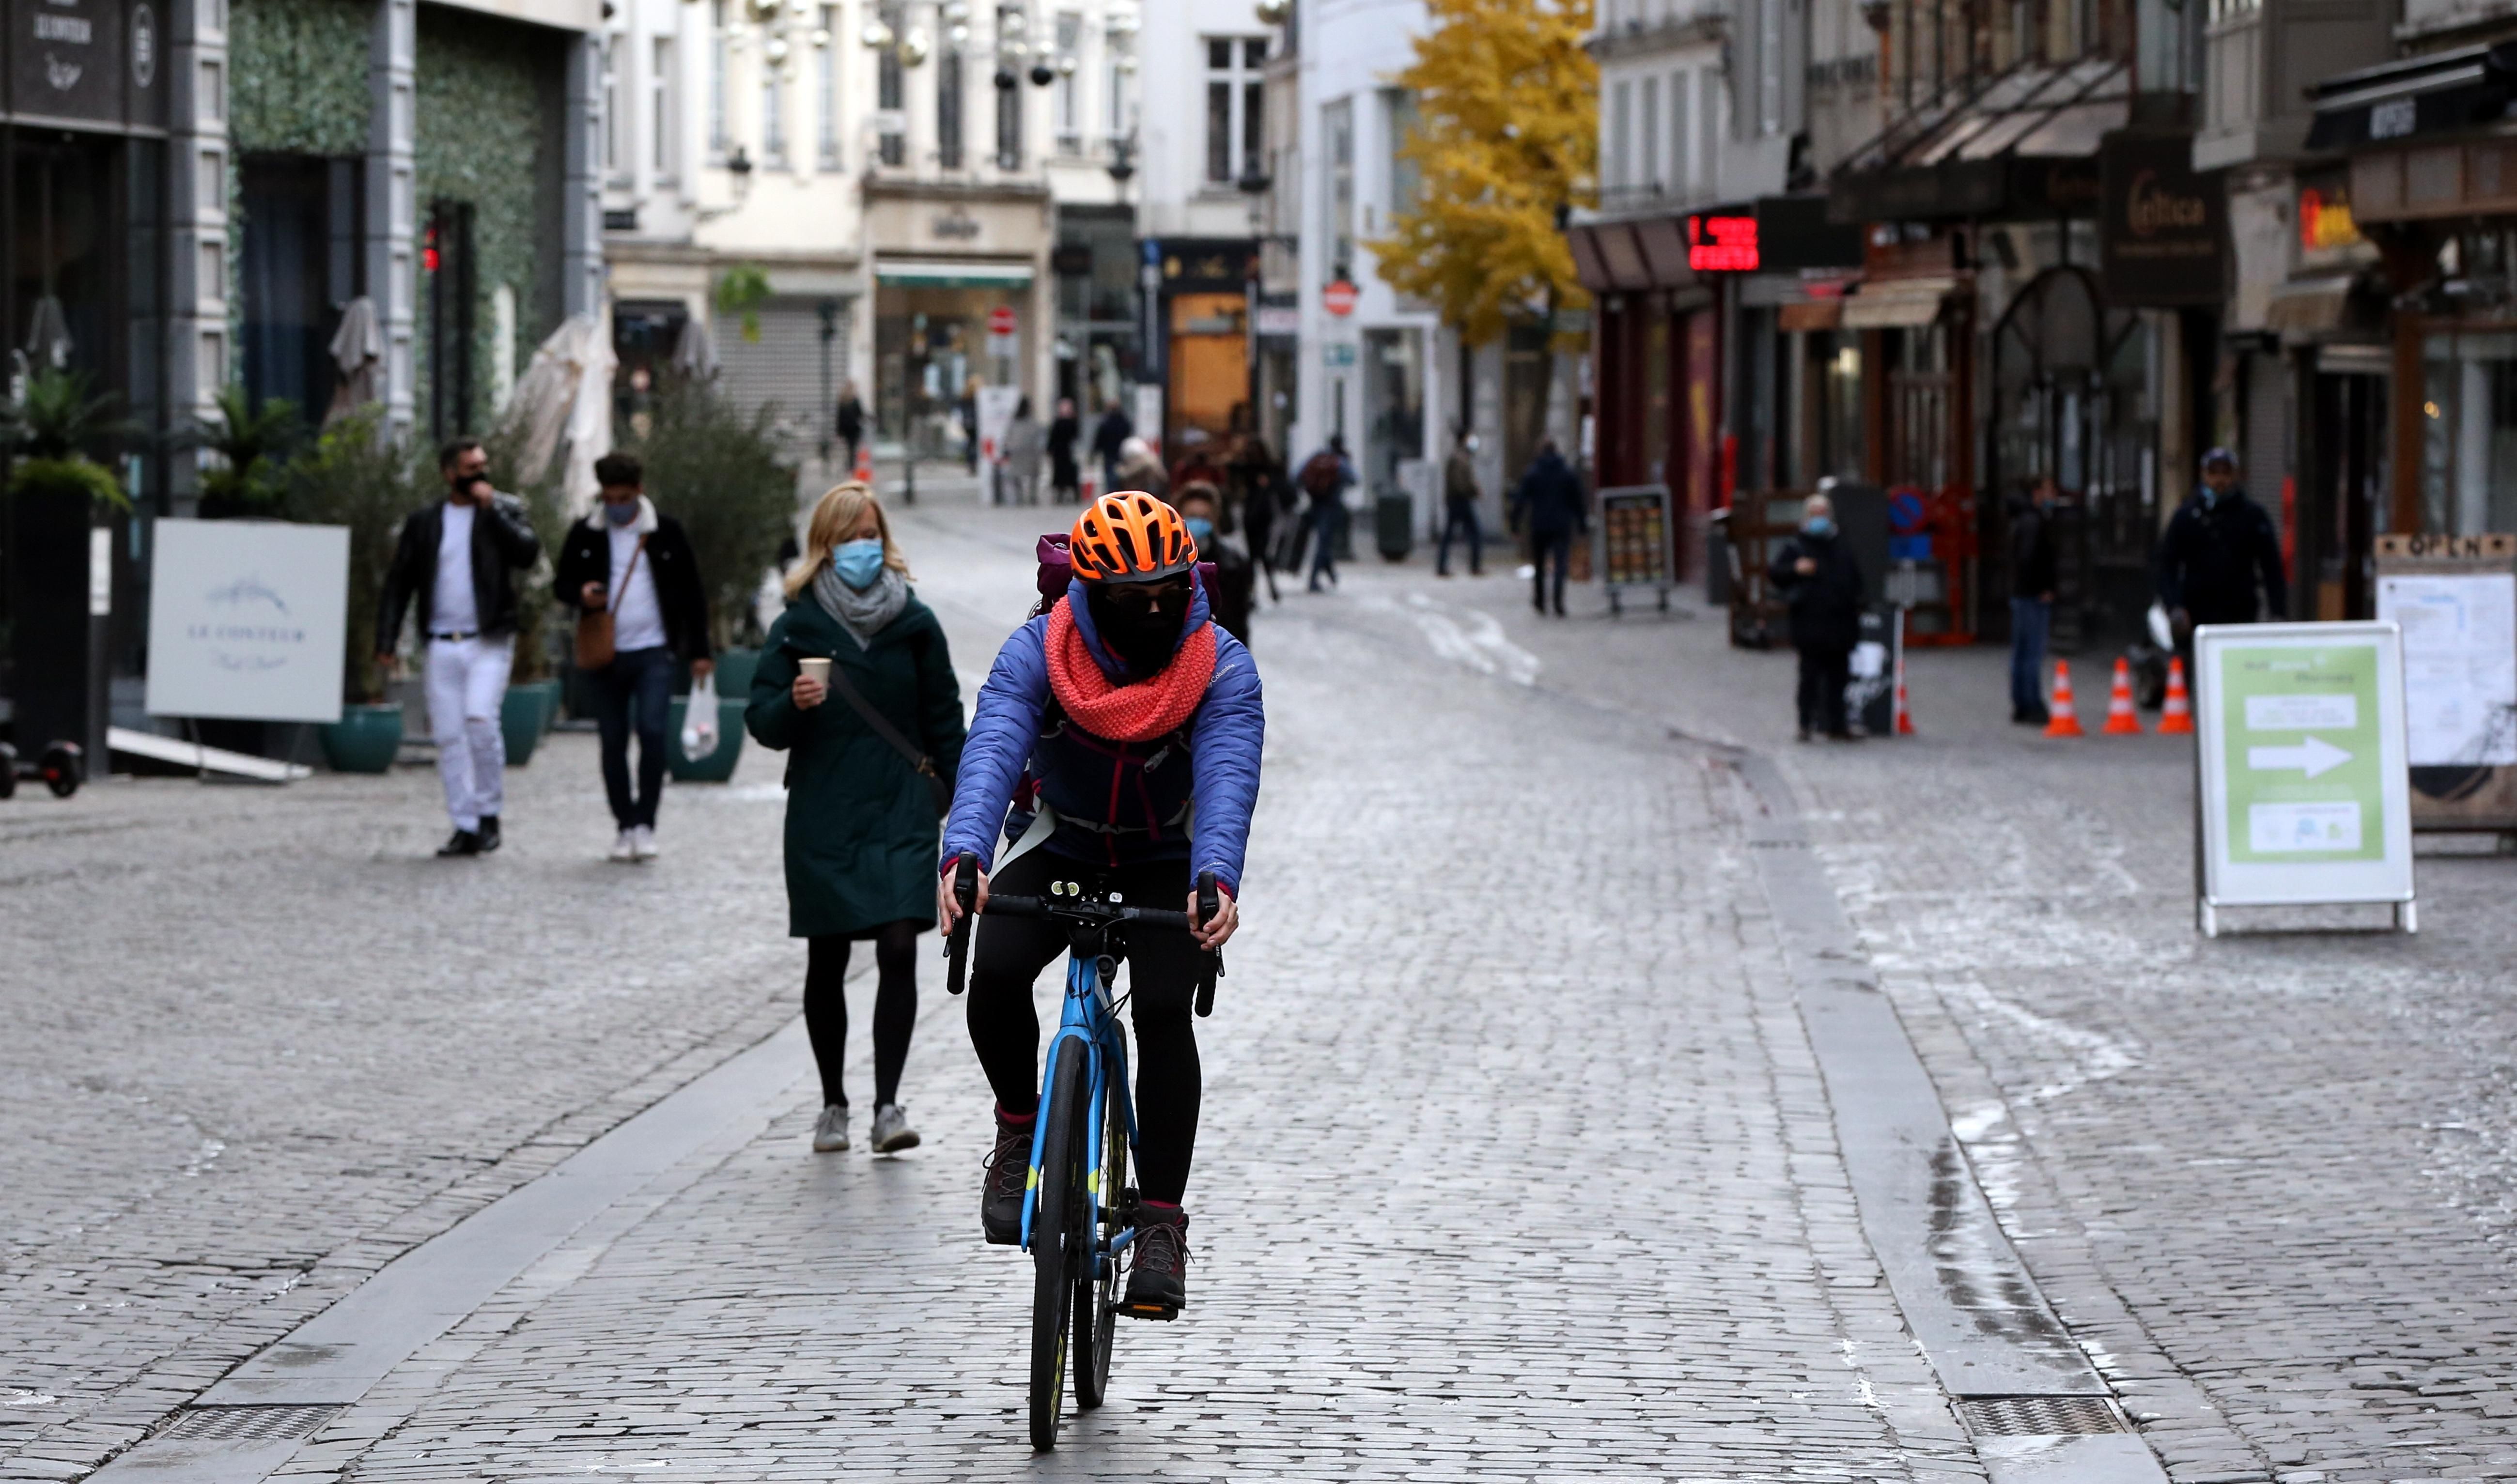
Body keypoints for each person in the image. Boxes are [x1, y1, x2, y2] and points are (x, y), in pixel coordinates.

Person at [939, 493, 1260, 1315]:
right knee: (999, 969)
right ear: (1089, 592)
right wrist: (965, 853)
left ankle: (1159, 1224)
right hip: (1064, 837)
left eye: (1167, 591)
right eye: (1132, 598)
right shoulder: (1038, 650)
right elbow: (993, 747)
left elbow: (1226, 776)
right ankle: (1018, 1131)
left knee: (1161, 1008)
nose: (1155, 610)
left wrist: (1215, 879)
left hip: (1162, 856)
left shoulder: (1220, 663)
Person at [747, 483, 968, 1157]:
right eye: (848, 538)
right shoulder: (797, 625)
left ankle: (887, 1105)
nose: (861, 548)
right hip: (825, 807)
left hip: (901, 802)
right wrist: (794, 700)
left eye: (870, 534)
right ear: (826, 546)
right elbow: (761, 721)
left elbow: (945, 716)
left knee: (901, 944)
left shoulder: (916, 621)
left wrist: (967, 805)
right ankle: (833, 1103)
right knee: (829, 953)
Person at [376, 439, 543, 857]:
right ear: (450, 473)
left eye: (484, 466)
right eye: (471, 468)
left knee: (480, 720)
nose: (480, 475)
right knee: (450, 737)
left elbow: (527, 553)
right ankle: (464, 823)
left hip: (487, 638)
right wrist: (387, 639)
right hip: (440, 642)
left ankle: (489, 812)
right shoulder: (426, 523)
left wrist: (494, 512)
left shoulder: (503, 512)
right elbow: (401, 582)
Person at [556, 453, 715, 860]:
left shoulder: (666, 533)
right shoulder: (586, 533)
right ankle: (624, 824)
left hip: (654, 651)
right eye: (609, 498)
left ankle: (646, 822)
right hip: (604, 654)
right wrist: (582, 594)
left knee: (653, 731)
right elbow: (561, 583)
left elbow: (693, 592)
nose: (617, 506)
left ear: (639, 492)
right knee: (611, 741)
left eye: (623, 497)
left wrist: (700, 650)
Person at [2157, 448, 2286, 650]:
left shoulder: (2252, 516)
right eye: (2213, 473)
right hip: (2197, 612)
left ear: (2235, 475)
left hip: (2240, 612)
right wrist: (2174, 605)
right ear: (2204, 475)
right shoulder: (2187, 516)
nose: (2220, 480)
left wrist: (2277, 611)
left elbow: (2272, 566)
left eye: (2225, 473)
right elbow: (2167, 565)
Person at [1768, 492, 1866, 742]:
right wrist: (1795, 569)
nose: (1819, 519)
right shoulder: (1796, 546)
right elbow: (1776, 575)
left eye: (1823, 514)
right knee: (1809, 678)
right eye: (1815, 514)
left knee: (1839, 678)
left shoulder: (1841, 544)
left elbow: (1855, 581)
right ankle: (1805, 724)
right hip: (1810, 625)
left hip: (1839, 624)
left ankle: (1837, 725)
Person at [1509, 438, 1586, 616]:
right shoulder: (1567, 472)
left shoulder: (1533, 472)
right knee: (1560, 563)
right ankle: (1558, 600)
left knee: (1539, 563)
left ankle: (1540, 600)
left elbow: (1520, 500)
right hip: (1561, 524)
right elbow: (1578, 501)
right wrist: (1582, 524)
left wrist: (1515, 524)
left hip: (1540, 525)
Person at [2006, 479, 2059, 726]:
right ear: (2038, 493)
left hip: (2022, 593)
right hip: (2031, 595)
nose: (2054, 495)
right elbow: (2029, 559)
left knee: (2022, 651)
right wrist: (2042, 587)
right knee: (2032, 651)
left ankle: (2021, 702)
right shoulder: (2034, 521)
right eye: (2049, 491)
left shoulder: (2023, 520)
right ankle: (2031, 703)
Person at [1176, 482, 1254, 645]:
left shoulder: (1233, 565)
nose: (1197, 523)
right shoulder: (1164, 566)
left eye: (1204, 518)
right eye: (1192, 516)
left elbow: (1239, 623)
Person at [1227, 435, 1288, 604]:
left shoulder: (1257, 468)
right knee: (1259, 555)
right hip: (1259, 515)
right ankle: (1266, 589)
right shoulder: (1265, 467)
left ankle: (1257, 592)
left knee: (1256, 556)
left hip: (1256, 515)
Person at [1295, 435, 1355, 593]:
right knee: (1324, 542)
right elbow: (1354, 479)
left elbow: (1296, 475)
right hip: (1331, 505)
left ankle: (1330, 574)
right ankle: (1314, 580)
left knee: (1324, 540)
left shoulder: (1317, 457)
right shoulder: (1340, 461)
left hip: (1315, 504)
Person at [1437, 426, 1485, 578]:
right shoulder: (1459, 458)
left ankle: (1445, 566)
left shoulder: (1461, 457)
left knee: (1451, 535)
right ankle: (1474, 566)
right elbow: (1460, 483)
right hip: (1460, 501)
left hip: (1458, 500)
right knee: (1474, 533)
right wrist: (1474, 491)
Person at [1002, 396, 1045, 506]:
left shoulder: (1014, 422)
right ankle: (1032, 497)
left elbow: (1008, 436)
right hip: (1030, 453)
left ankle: (1020, 497)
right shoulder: (1033, 423)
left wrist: (1007, 448)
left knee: (1016, 476)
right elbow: (1038, 438)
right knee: (1033, 476)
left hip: (1017, 453)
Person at [1092, 398, 1134, 495]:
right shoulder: (1124, 422)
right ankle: (1121, 493)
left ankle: (1112, 494)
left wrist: (1094, 452)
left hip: (1109, 454)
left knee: (1110, 476)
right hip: (1122, 454)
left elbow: (1099, 439)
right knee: (1122, 475)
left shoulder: (1106, 423)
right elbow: (1129, 434)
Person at [1047, 396, 1082, 503]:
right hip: (1067, 452)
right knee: (1070, 474)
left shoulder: (1059, 423)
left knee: (1061, 474)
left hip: (1061, 453)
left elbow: (1052, 438)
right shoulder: (1073, 422)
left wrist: (1049, 450)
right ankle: (1073, 495)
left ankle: (1061, 495)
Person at [1115, 435, 1169, 500]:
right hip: (1142, 498)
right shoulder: (1151, 461)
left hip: (1147, 497)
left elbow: (1163, 478)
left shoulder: (1148, 462)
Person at [835, 380, 866, 471]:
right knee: (853, 447)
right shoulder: (855, 400)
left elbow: (839, 417)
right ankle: (852, 464)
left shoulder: (842, 400)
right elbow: (860, 414)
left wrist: (839, 430)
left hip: (846, 428)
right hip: (854, 428)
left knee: (850, 446)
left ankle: (850, 464)